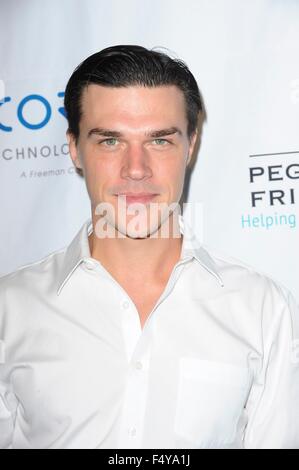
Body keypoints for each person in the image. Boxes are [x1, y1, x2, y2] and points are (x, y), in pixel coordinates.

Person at [0, 45, 298, 450]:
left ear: (191, 146)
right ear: (73, 148)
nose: (135, 169)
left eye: (159, 141)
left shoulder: (262, 310)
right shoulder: (10, 309)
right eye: (110, 141)